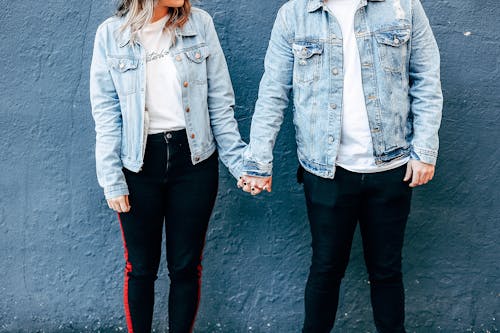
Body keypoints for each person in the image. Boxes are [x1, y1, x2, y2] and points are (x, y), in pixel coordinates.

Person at [239, 0, 442, 332]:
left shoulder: (403, 5)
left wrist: (424, 151)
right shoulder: (294, 13)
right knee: (325, 269)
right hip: (326, 170)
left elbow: (427, 79)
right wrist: (258, 161)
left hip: (392, 167)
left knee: (387, 272)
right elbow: (273, 90)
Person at [89, 0, 246, 332]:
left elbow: (220, 101)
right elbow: (106, 115)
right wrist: (111, 179)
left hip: (194, 162)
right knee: (141, 267)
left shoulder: (199, 24)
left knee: (186, 266)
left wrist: (240, 164)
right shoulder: (110, 35)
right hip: (138, 166)